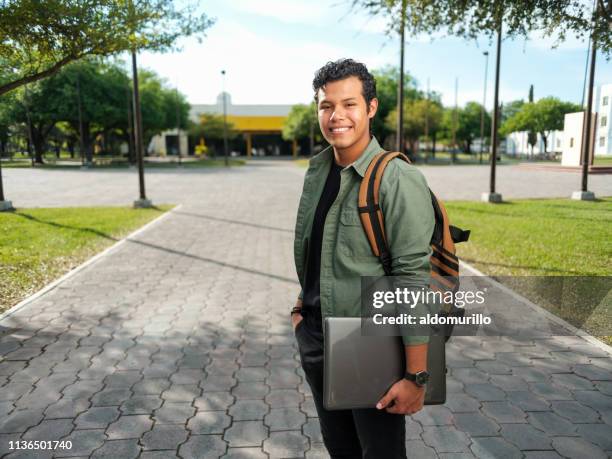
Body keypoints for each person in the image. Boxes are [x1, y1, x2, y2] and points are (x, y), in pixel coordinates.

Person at [292, 58, 435, 459]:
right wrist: (302, 309)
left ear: (371, 108)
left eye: (349, 104)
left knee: (381, 454)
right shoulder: (318, 171)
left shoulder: (397, 179)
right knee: (341, 450)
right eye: (326, 106)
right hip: (318, 338)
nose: (336, 116)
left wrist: (416, 375)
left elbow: (411, 280)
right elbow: (315, 249)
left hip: (370, 346)